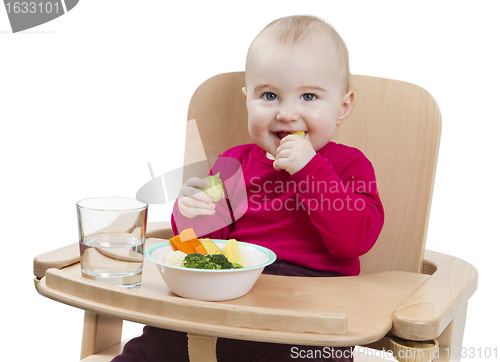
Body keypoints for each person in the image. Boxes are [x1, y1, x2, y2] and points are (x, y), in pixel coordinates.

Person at [113, 15, 384, 362]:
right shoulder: (233, 165)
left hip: (308, 322)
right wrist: (192, 211)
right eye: (269, 95)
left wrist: (310, 169)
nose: (287, 113)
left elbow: (355, 240)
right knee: (154, 343)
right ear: (247, 100)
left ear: (342, 107)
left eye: (308, 96)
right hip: (224, 305)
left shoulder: (349, 166)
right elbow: (203, 247)